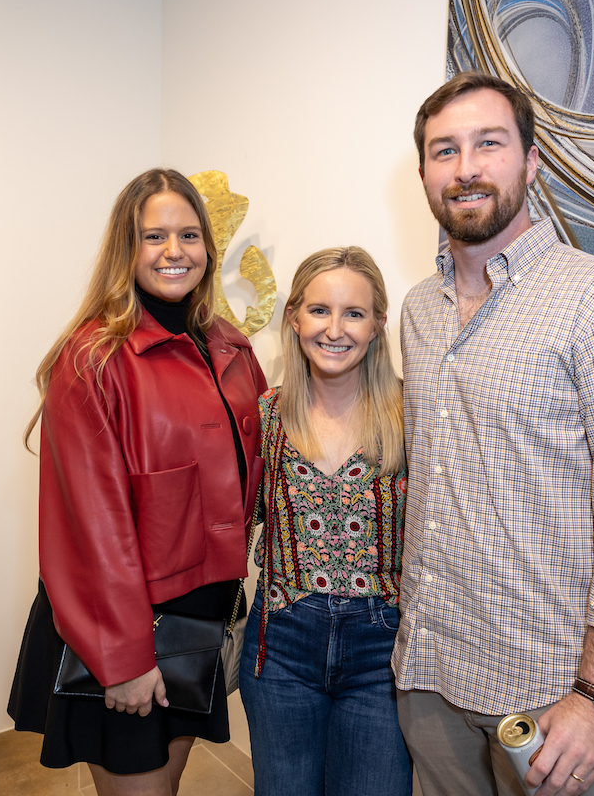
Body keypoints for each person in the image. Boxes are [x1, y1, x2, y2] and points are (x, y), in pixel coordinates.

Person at [392, 71, 594, 796]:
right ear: (426, 172)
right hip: (427, 674)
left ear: (530, 160)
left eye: (488, 143)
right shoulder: (417, 310)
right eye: (443, 150)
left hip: (548, 696)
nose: (465, 168)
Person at [8, 168, 267, 796]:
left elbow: (249, 480)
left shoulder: (230, 348)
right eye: (154, 236)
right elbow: (90, 531)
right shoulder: (92, 359)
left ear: (208, 246)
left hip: (200, 621)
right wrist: (122, 662)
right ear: (126, 249)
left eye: (189, 235)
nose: (174, 251)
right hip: (128, 630)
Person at [240, 247, 411, 796]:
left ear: (378, 324)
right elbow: (229, 520)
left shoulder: (412, 416)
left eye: (354, 314)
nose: (334, 329)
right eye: (319, 311)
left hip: (381, 652)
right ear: (293, 316)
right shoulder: (266, 414)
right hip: (283, 643)